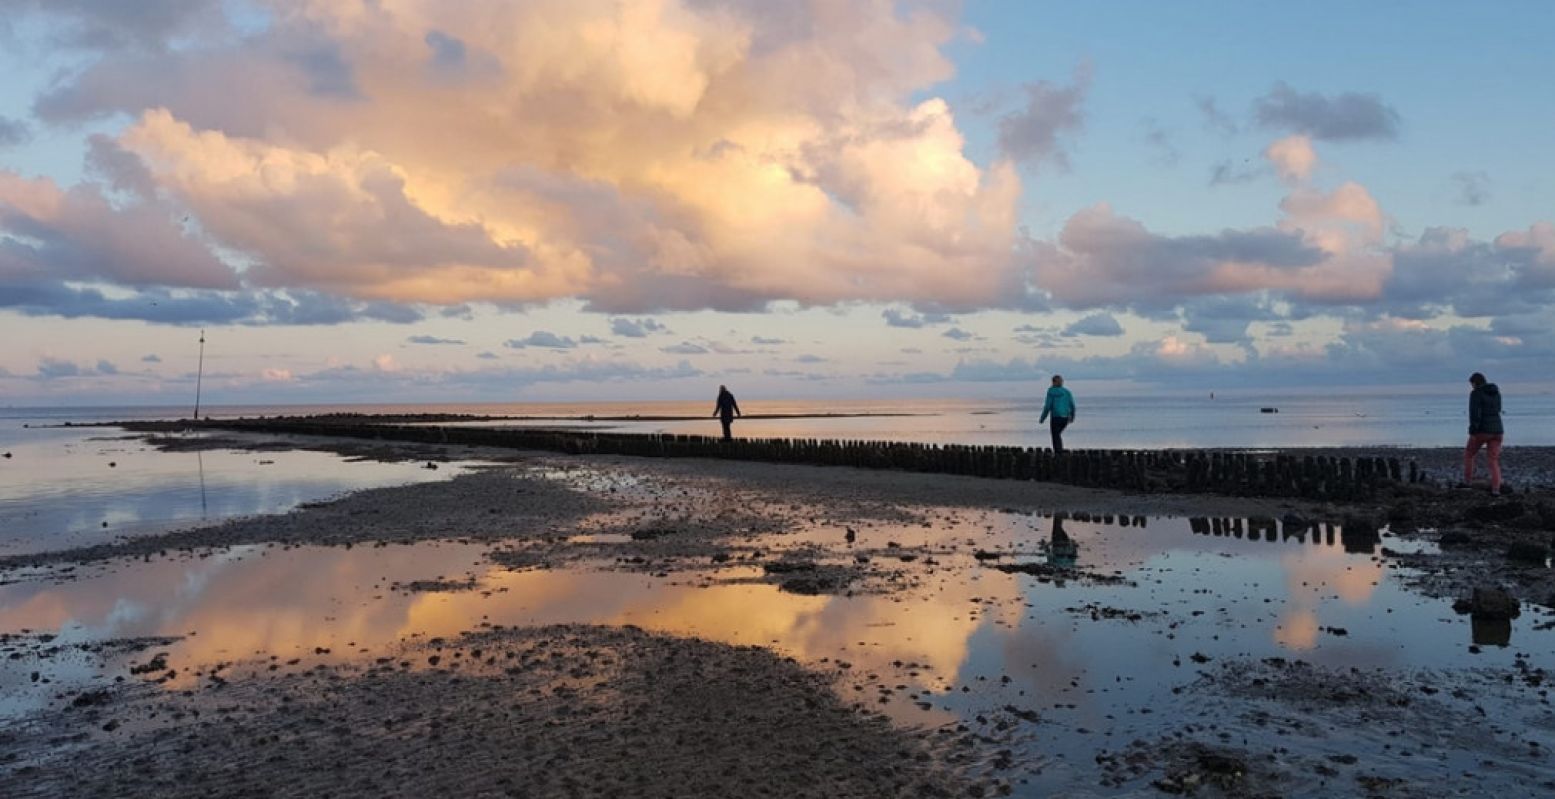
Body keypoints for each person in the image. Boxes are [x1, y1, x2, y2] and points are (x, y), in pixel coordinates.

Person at [1464, 372, 1504, 496]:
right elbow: (1498, 409)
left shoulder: (1476, 393)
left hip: (1482, 430)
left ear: (1475, 383)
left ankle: (1468, 482)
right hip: (1498, 430)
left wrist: (1472, 431)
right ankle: (1496, 489)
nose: (1472, 386)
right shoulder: (1496, 393)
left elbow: (1474, 413)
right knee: (1493, 460)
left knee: (1469, 454)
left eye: (1472, 384)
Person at [1038, 374, 1075, 454]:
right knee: (1057, 434)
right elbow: (1072, 405)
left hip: (1055, 417)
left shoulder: (1051, 392)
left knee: (1055, 435)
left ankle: (1058, 452)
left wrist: (1042, 418)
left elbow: (1047, 406)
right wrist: (1072, 416)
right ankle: (1059, 450)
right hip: (1065, 417)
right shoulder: (1067, 392)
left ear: (1054, 382)